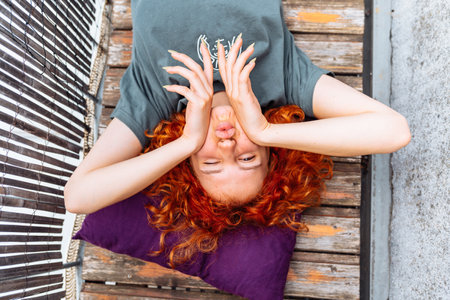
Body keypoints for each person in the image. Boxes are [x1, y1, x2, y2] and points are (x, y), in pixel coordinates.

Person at [64, 0, 411, 266]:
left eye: (212, 163)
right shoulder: (284, 77)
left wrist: (186, 140)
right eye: (248, 157)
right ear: (268, 151)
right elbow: (394, 130)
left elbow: (77, 196)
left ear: (190, 163)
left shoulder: (155, 97)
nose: (227, 144)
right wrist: (263, 129)